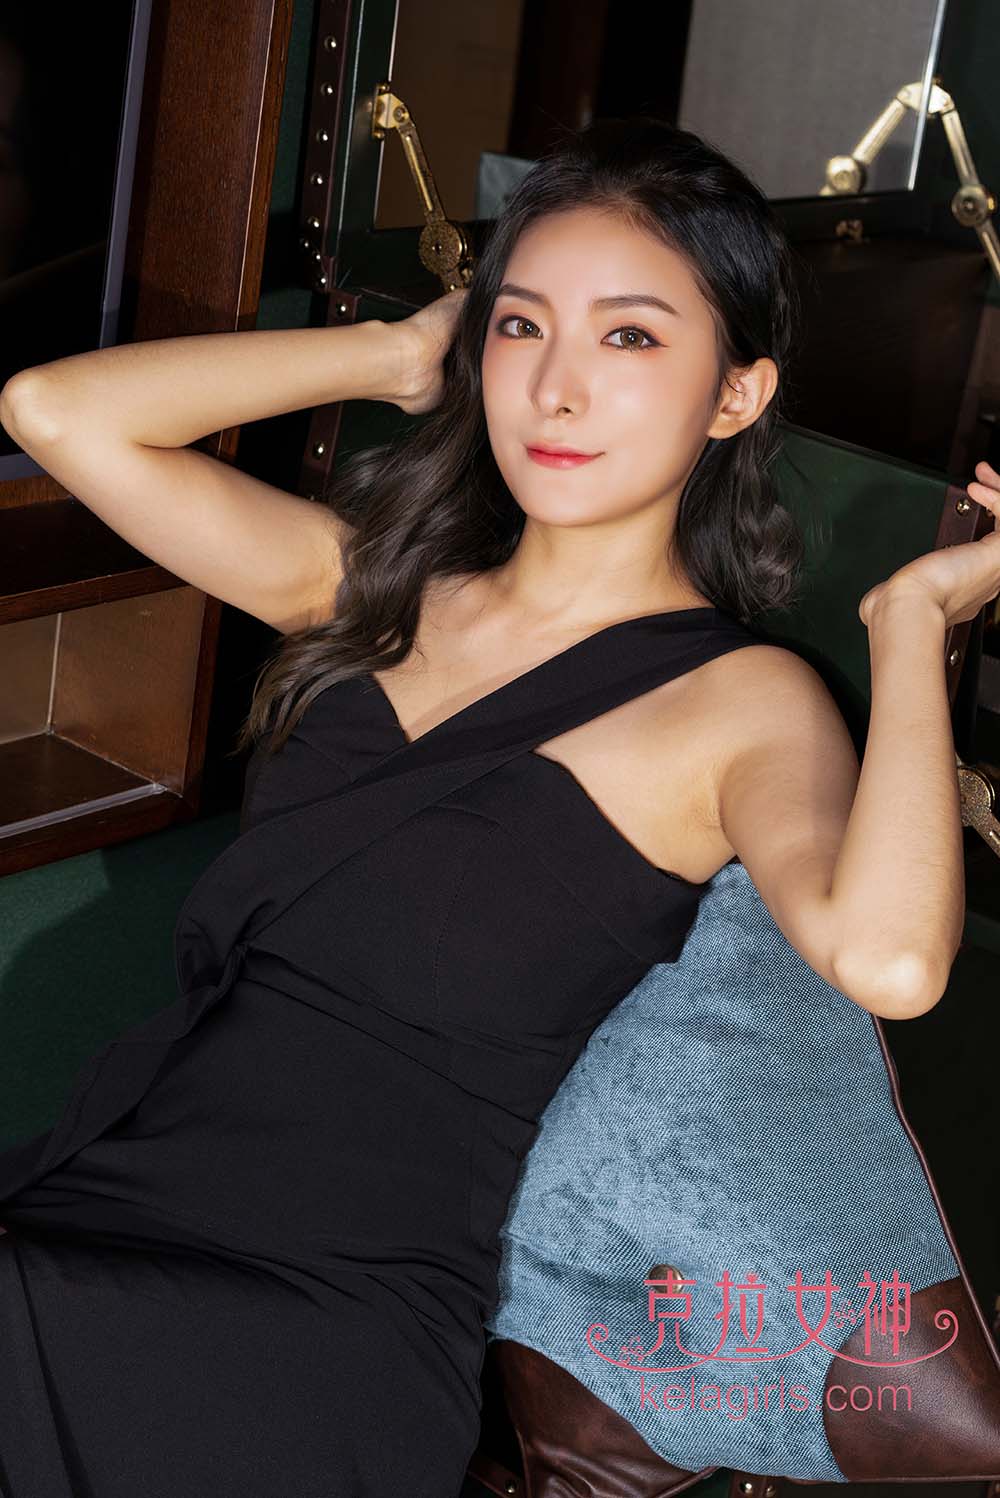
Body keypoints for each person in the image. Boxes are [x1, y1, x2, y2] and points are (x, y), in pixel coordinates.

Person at [0, 114, 996, 1498]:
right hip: (121, 1184)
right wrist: (391, 355)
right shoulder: (370, 590)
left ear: (737, 395)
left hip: (323, 1316)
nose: (557, 389)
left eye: (630, 337)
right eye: (523, 327)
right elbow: (53, 412)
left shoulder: (742, 702)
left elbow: (889, 959)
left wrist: (911, 623)